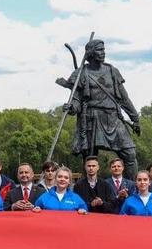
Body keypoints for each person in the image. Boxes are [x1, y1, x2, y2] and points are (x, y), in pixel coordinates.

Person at [55, 39, 141, 177]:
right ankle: (87, 191)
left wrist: (135, 118)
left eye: (103, 50)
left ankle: (133, 189)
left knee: (129, 153)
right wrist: (71, 108)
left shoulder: (112, 71)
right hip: (91, 118)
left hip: (113, 118)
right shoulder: (81, 74)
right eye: (99, 50)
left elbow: (124, 98)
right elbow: (77, 101)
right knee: (89, 158)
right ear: (91, 53)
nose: (103, 53)